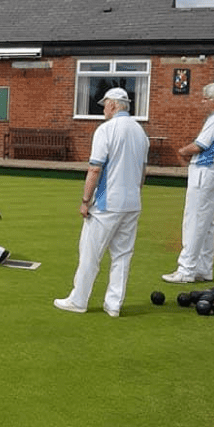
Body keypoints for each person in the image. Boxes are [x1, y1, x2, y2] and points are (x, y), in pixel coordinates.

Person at [54, 87, 149, 317]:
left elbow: (95, 168)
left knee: (90, 253)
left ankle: (78, 300)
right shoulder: (141, 132)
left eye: (105, 104)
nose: (104, 109)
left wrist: (85, 200)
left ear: (113, 105)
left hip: (107, 203)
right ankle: (113, 305)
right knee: (122, 255)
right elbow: (143, 172)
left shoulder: (106, 130)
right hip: (132, 203)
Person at [161, 82, 214, 284]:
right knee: (207, 223)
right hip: (209, 172)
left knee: (194, 220)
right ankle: (203, 268)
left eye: (206, 98)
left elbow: (200, 145)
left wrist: (182, 151)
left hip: (204, 172)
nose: (202, 102)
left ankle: (186, 269)